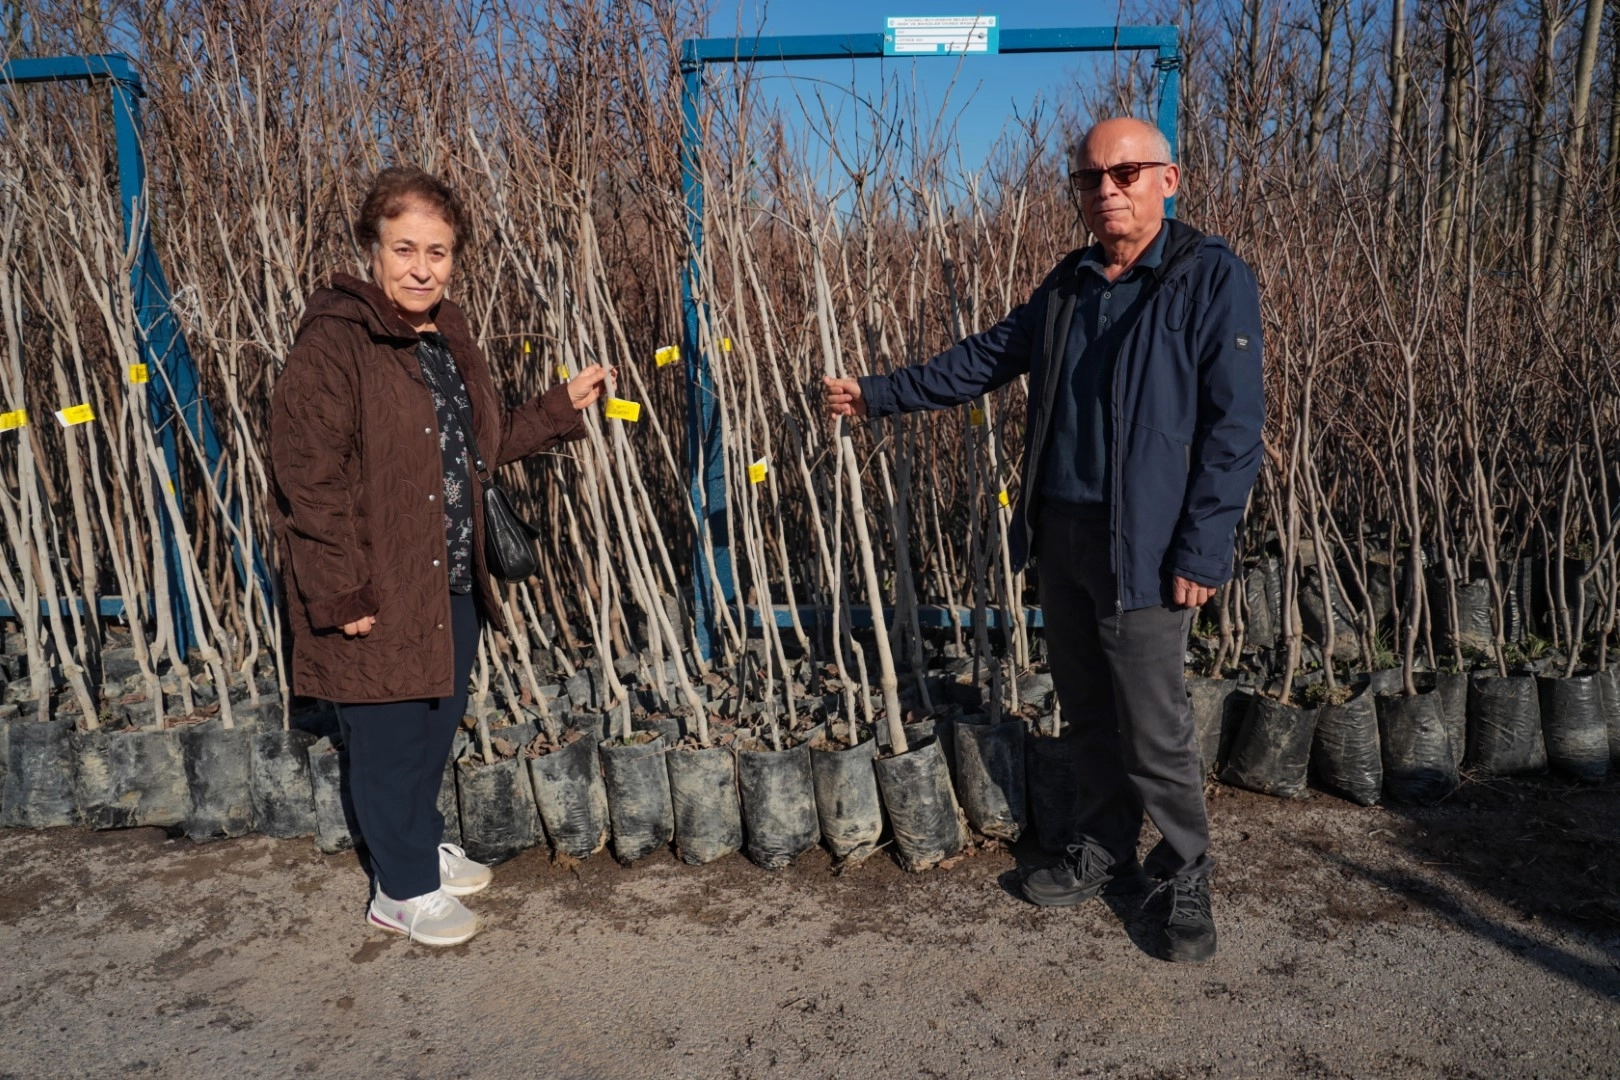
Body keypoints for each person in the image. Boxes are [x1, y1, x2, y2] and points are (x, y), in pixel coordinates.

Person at [824, 117, 1263, 963]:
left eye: (1126, 173)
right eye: (1090, 177)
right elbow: (986, 357)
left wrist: (1204, 548)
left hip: (1147, 546)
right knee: (1087, 709)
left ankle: (1185, 871)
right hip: (1062, 533)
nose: (1106, 190)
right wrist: (879, 394)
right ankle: (1104, 846)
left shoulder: (1209, 277)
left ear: (1168, 179)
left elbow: (1235, 427)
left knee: (1153, 724)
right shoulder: (1069, 284)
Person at [270, 167, 610, 946]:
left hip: (450, 574)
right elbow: (306, 478)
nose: (422, 268)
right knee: (389, 743)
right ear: (372, 249)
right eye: (405, 249)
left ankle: (416, 847)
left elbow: (479, 446)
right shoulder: (335, 343)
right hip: (379, 584)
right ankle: (400, 891)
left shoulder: (446, 337)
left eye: (438, 252)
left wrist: (558, 408)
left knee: (432, 730)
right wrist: (341, 591)